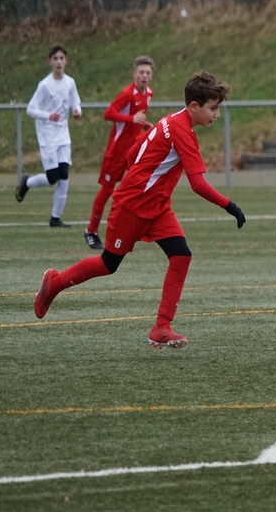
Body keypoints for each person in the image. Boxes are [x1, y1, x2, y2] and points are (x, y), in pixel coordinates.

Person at [33, 71, 247, 349]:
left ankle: (161, 327)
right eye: (213, 108)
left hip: (157, 208)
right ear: (194, 106)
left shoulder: (171, 119)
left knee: (181, 255)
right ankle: (54, 283)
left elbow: (133, 153)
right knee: (108, 264)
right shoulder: (182, 131)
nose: (216, 114)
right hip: (131, 207)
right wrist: (230, 206)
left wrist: (147, 180)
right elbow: (197, 184)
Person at [84, 55, 155, 250]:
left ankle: (135, 229)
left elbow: (136, 118)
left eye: (147, 73)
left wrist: (143, 125)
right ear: (134, 74)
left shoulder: (148, 93)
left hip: (134, 152)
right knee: (107, 191)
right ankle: (91, 231)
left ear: (151, 76)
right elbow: (108, 113)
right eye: (141, 72)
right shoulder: (127, 94)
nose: (144, 76)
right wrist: (132, 119)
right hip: (116, 152)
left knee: (137, 189)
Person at [15, 44, 82, 226]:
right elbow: (30, 109)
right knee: (52, 178)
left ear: (66, 61)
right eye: (55, 59)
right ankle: (27, 183)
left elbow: (75, 101)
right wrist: (48, 116)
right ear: (50, 62)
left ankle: (55, 218)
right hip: (47, 137)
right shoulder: (44, 85)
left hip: (63, 136)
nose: (59, 62)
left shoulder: (70, 82)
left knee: (64, 176)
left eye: (61, 58)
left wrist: (77, 111)